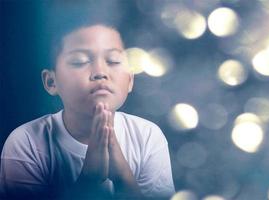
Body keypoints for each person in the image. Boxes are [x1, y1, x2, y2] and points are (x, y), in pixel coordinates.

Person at [0, 9, 175, 199]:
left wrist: (123, 176)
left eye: (113, 61)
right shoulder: (26, 142)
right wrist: (89, 178)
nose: (100, 72)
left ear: (130, 80)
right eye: (79, 61)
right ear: (51, 81)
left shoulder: (148, 136)